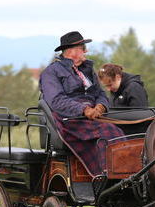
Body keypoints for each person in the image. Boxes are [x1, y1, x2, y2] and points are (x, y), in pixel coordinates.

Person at [39, 31, 124, 177]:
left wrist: (101, 106)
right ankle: (108, 176)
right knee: (109, 133)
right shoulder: (51, 72)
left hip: (93, 115)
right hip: (68, 119)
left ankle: (123, 172)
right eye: (83, 48)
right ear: (72, 51)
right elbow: (57, 101)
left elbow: (101, 94)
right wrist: (84, 109)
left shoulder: (88, 70)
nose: (86, 51)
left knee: (123, 130)